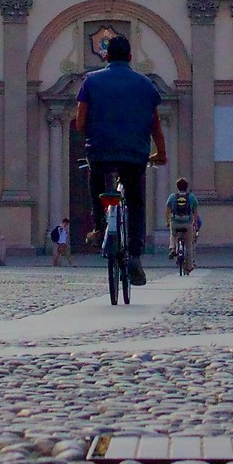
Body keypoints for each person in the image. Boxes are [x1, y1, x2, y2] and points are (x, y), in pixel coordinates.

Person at [74, 33, 165, 284]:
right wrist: (161, 154)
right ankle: (135, 254)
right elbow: (155, 127)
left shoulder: (91, 81)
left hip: (100, 151)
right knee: (135, 200)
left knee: (96, 179)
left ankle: (99, 226)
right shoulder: (145, 84)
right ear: (130, 57)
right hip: (135, 154)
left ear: (106, 56)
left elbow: (80, 123)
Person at [165, 177, 201, 266]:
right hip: (187, 224)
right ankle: (189, 266)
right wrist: (195, 223)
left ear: (177, 187)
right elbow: (195, 213)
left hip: (175, 223)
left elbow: (167, 211)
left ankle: (172, 248)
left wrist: (168, 222)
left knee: (173, 235)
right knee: (189, 245)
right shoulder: (191, 197)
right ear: (186, 187)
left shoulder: (172, 197)